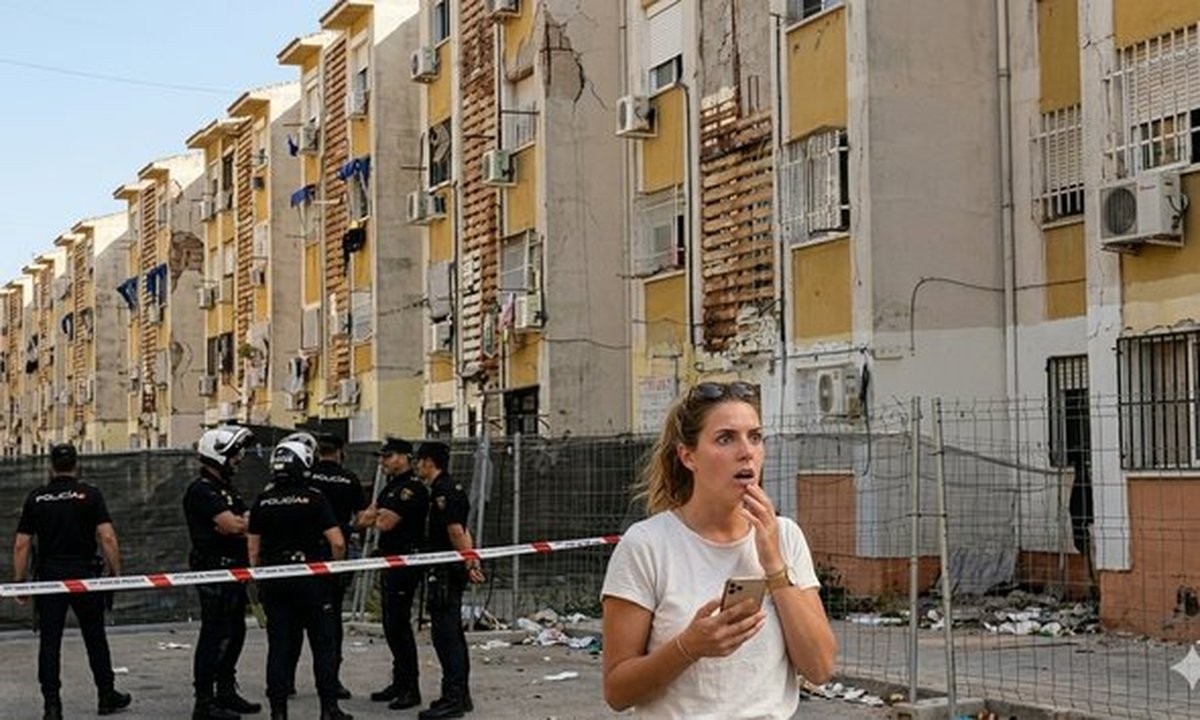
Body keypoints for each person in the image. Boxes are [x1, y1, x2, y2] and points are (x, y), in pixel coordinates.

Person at [600, 381, 837, 719]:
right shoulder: (647, 545)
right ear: (688, 456)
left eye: (755, 437)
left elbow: (820, 668)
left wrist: (774, 564)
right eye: (726, 439)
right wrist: (688, 648)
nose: (747, 452)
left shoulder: (785, 536)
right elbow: (618, 692)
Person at [12, 443, 132, 720]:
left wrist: (20, 582)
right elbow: (107, 537)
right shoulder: (89, 494)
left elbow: (21, 544)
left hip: (50, 578)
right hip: (84, 575)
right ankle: (106, 695)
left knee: (50, 642)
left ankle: (52, 706)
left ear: (51, 465)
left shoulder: (37, 498)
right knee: (95, 637)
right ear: (77, 464)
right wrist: (116, 574)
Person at [247, 437, 351, 720]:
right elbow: (337, 542)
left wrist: (258, 581)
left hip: (275, 581)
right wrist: (334, 572)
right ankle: (329, 709)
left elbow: (253, 550)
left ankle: (279, 712)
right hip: (311, 579)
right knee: (323, 646)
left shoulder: (262, 501)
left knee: (279, 648)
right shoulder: (314, 497)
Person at [183, 425, 261, 720]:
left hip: (234, 569)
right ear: (217, 456)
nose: (238, 458)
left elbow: (242, 523)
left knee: (236, 631)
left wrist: (241, 524)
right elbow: (233, 525)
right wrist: (240, 524)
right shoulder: (202, 490)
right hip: (213, 571)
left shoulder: (226, 489)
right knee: (214, 635)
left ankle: (226, 691)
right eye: (233, 454)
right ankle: (204, 703)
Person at [290, 432, 374, 700]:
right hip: (335, 552)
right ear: (340, 452)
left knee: (292, 620)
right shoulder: (349, 479)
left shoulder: (306, 477)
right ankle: (331, 681)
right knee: (330, 620)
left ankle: (286, 680)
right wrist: (350, 528)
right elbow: (362, 517)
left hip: (302, 554)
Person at [414, 441, 484, 720]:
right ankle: (457, 695)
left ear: (429, 462)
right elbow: (463, 530)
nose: (417, 465)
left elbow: (456, 531)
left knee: (446, 636)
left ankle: (454, 698)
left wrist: (469, 561)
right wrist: (471, 559)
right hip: (447, 568)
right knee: (450, 633)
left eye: (419, 460)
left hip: (445, 571)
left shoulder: (444, 490)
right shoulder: (447, 488)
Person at [367, 437, 428, 710]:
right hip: (390, 560)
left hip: (405, 562)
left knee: (399, 626)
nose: (383, 461)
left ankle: (410, 688)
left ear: (404, 457)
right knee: (391, 625)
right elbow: (366, 518)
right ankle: (399, 681)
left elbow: (384, 523)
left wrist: (377, 515)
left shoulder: (411, 488)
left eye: (388, 456)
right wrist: (376, 515)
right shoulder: (390, 487)